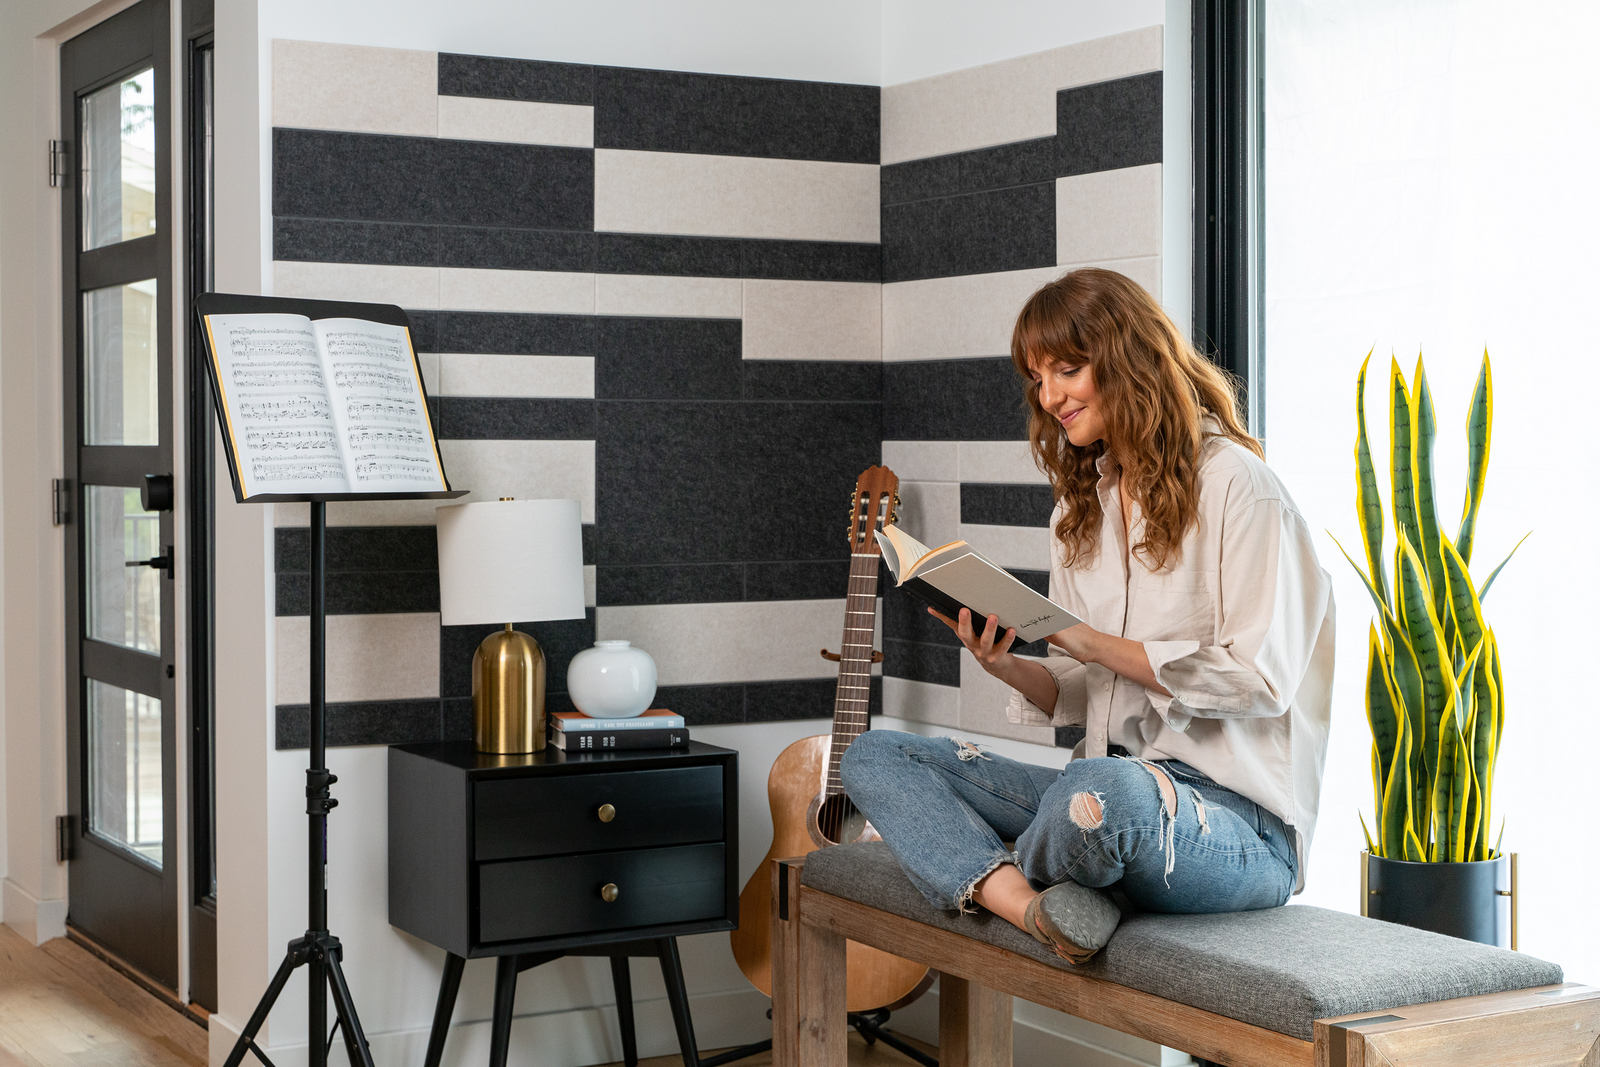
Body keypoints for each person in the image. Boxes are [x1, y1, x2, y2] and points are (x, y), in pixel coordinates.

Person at [840, 268, 1334, 964]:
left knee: (1100, 793)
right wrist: (1006, 662)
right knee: (877, 754)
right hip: (1099, 784)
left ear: (1131, 360)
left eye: (1067, 369)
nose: (1049, 397)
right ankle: (1033, 906)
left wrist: (1091, 641)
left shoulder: (1241, 489)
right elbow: (1081, 692)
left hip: (1233, 825)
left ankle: (969, 853)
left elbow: (1260, 678)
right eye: (1037, 378)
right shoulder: (1080, 514)